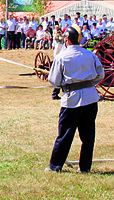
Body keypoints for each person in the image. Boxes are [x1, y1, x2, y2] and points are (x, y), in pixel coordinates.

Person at [45, 26, 105, 174]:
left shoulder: (62, 57)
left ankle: (55, 166)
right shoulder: (90, 55)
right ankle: (85, 167)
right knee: (88, 135)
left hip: (71, 100)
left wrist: (65, 84)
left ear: (67, 40)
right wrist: (88, 84)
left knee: (65, 134)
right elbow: (100, 74)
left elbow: (54, 81)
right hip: (90, 98)